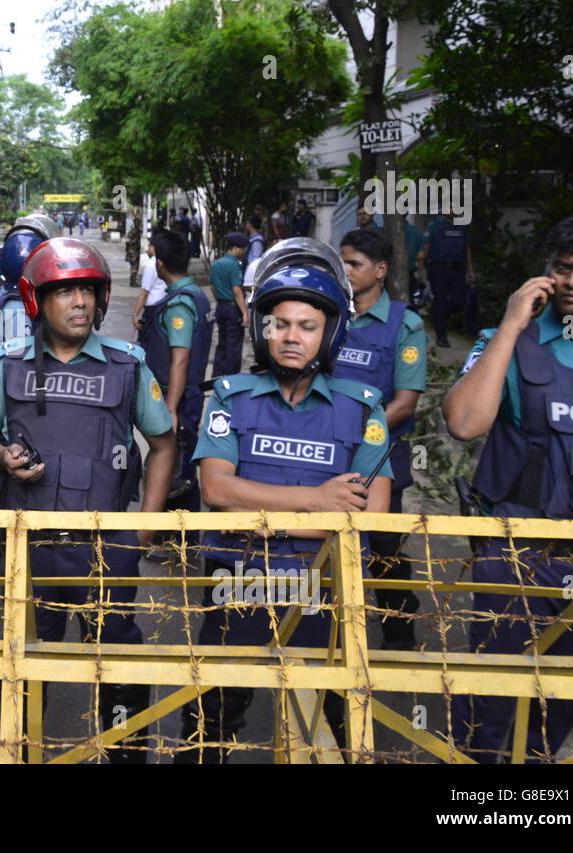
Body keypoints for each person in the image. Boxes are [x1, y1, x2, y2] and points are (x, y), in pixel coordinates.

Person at [178, 238, 392, 763]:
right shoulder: (231, 395)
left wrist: (262, 517)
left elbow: (375, 518)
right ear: (262, 328)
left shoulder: (362, 408)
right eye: (280, 324)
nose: (291, 337)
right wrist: (319, 500)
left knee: (333, 716)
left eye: (308, 326)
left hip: (325, 582)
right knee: (212, 713)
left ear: (330, 332)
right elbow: (216, 489)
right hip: (238, 575)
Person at [0, 237, 176, 763]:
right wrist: (1, 456)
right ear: (37, 300)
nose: (80, 302)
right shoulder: (10, 363)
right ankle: (24, 749)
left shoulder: (127, 366)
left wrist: (145, 527)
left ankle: (124, 753)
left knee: (116, 662)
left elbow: (165, 443)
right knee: (25, 661)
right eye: (64, 292)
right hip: (30, 550)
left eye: (87, 291)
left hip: (106, 549)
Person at [443, 211, 573, 763]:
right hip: (516, 552)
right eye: (562, 267)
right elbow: (465, 423)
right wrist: (512, 325)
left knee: (563, 699)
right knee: (492, 704)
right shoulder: (510, 342)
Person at [339, 228, 428, 650]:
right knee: (328, 543)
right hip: (328, 455)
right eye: (342, 262)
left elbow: (405, 403)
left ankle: (398, 632)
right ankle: (333, 630)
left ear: (380, 269)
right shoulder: (329, 314)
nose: (346, 271)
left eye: (354, 264)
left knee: (383, 549)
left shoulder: (404, 325)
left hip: (379, 460)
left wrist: (356, 440)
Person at [0, 217, 52, 576]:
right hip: (10, 416)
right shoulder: (20, 305)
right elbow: (20, 366)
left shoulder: (2, 295)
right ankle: (8, 559)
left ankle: (4, 551)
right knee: (10, 488)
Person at [140, 231, 215, 513]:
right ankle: (179, 538)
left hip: (178, 397)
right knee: (179, 463)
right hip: (188, 394)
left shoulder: (180, 305)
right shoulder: (197, 295)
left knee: (174, 470)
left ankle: (176, 540)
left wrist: (170, 408)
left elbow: (180, 359)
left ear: (160, 264)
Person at [418, 213, 475, 348]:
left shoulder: (463, 226)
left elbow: (467, 249)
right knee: (440, 301)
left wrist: (471, 270)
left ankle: (439, 317)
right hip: (438, 268)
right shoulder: (435, 225)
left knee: (459, 301)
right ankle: (442, 337)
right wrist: (420, 270)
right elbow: (425, 249)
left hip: (457, 268)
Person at [210, 232, 249, 377]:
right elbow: (237, 290)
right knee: (234, 345)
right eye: (244, 249)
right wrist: (244, 312)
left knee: (222, 343)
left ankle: (217, 375)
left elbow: (213, 287)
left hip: (221, 307)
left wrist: (220, 300)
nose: (244, 252)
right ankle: (232, 378)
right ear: (237, 248)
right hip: (233, 309)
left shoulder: (217, 263)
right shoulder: (234, 265)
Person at [133, 233, 169, 331]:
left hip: (153, 309)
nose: (148, 249)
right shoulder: (167, 260)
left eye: (149, 246)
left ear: (153, 247)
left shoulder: (152, 265)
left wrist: (135, 314)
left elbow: (144, 293)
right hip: (164, 306)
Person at [241, 214, 267, 291]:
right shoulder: (252, 238)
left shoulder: (257, 241)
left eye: (247, 223)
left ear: (250, 225)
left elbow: (255, 259)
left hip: (251, 273)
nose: (246, 225)